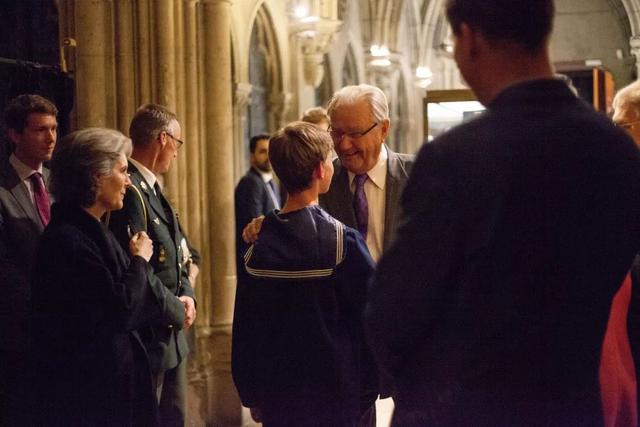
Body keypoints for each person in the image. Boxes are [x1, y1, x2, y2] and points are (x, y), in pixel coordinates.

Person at [365, 0, 640, 426]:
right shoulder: (617, 153)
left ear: (469, 39)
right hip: (572, 409)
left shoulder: (454, 159)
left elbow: (391, 314)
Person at [31, 128, 186, 426]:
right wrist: (140, 260)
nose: (128, 181)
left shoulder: (92, 230)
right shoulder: (69, 241)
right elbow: (120, 309)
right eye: (123, 170)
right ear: (95, 175)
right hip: (92, 395)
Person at [231, 122, 377, 426]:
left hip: (278, 395)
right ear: (320, 171)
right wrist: (367, 388)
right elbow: (369, 320)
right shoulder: (343, 242)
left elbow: (246, 327)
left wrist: (252, 394)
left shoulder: (257, 243)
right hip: (335, 392)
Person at [109, 104, 197, 427]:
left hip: (170, 332)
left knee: (174, 417)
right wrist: (177, 308)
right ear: (163, 139)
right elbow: (139, 265)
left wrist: (188, 295)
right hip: (150, 333)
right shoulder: (130, 191)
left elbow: (181, 251)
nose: (176, 152)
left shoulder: (153, 188)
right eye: (178, 142)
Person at [0, 94, 57, 425]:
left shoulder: (57, 182)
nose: (50, 138)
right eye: (39, 130)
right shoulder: (3, 188)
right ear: (14, 134)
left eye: (53, 128)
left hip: (61, 334)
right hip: (20, 336)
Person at [234, 133, 280, 258]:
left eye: (270, 151)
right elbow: (255, 225)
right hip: (255, 257)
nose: (268, 156)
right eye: (263, 151)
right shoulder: (251, 182)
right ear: (252, 156)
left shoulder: (271, 182)